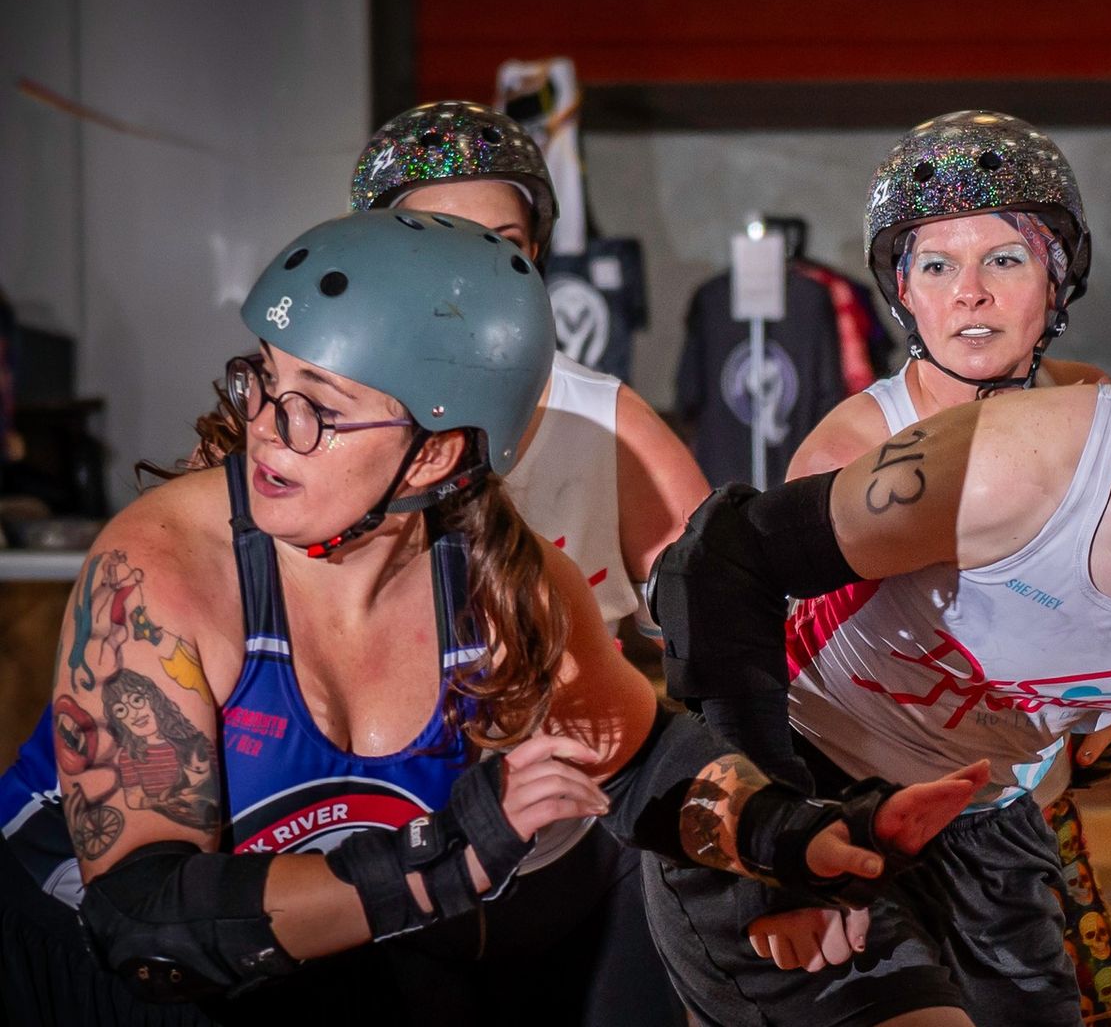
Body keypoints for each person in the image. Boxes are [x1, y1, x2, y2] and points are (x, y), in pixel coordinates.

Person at [0, 212, 982, 1027]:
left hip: (294, 952)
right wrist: (444, 864)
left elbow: (646, 762)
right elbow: (142, 923)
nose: (267, 426)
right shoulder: (164, 571)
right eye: (264, 379)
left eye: (320, 407)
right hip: (73, 965)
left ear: (433, 457)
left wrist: (791, 835)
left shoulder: (505, 586)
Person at [645, 136, 1111, 1027]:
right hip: (815, 783)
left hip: (993, 821)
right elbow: (716, 567)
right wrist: (774, 835)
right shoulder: (993, 456)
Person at [787, 110, 1111, 1026]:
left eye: (1003, 259)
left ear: (1057, 278)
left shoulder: (1100, 406)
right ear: (905, 293)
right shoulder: (851, 451)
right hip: (867, 835)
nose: (970, 293)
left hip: (1028, 823)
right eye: (937, 265)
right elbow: (760, 679)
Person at [350, 99, 710, 641]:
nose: (474, 268)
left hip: (568, 721)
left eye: (503, 242)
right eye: (441, 238)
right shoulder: (310, 409)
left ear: (535, 252)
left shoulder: (607, 419)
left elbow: (716, 628)